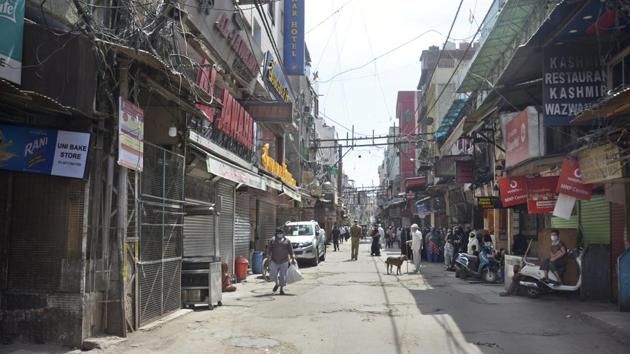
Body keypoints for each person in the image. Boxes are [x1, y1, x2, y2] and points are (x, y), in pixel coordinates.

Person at [267, 228, 296, 295]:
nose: (279, 234)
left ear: (283, 234)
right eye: (278, 233)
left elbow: (291, 251)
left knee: (283, 276)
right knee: (273, 275)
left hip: (284, 260)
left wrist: (293, 258)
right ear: (276, 234)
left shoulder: (287, 241)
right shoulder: (272, 240)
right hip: (274, 260)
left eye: (281, 233)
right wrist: (268, 258)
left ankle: (281, 289)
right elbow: (269, 250)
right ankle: (277, 284)